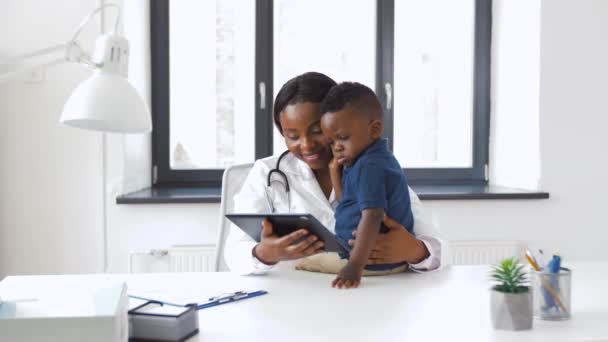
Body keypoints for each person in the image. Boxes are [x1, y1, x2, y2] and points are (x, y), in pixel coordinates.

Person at [224, 72, 442, 275]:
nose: (307, 145)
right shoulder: (267, 173)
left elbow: (440, 248)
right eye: (293, 136)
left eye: (317, 131)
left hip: (370, 296)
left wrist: (414, 250)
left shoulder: (376, 168)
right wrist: (264, 254)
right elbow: (233, 254)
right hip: (295, 298)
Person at [320, 82, 413, 289]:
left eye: (343, 138)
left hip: (372, 263)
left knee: (301, 263)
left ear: (375, 129)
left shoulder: (370, 166)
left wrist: (354, 266)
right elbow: (347, 201)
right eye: (331, 142)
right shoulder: (362, 159)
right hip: (371, 260)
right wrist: (335, 171)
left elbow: (373, 215)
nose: (336, 147)